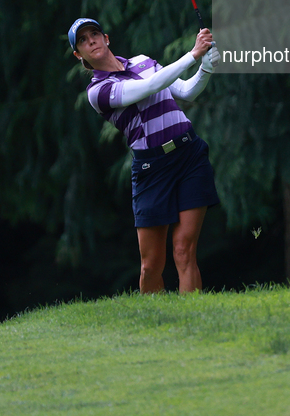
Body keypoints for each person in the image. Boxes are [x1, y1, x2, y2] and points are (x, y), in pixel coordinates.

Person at [68, 17, 220, 294]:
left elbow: (186, 90)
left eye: (94, 34)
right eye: (82, 40)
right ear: (79, 54)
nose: (91, 40)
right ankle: (156, 328)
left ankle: (196, 325)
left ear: (106, 38)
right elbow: (147, 88)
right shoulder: (97, 91)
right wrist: (192, 54)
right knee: (151, 266)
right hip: (152, 168)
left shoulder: (143, 61)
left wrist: (206, 67)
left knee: (184, 250)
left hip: (189, 156)